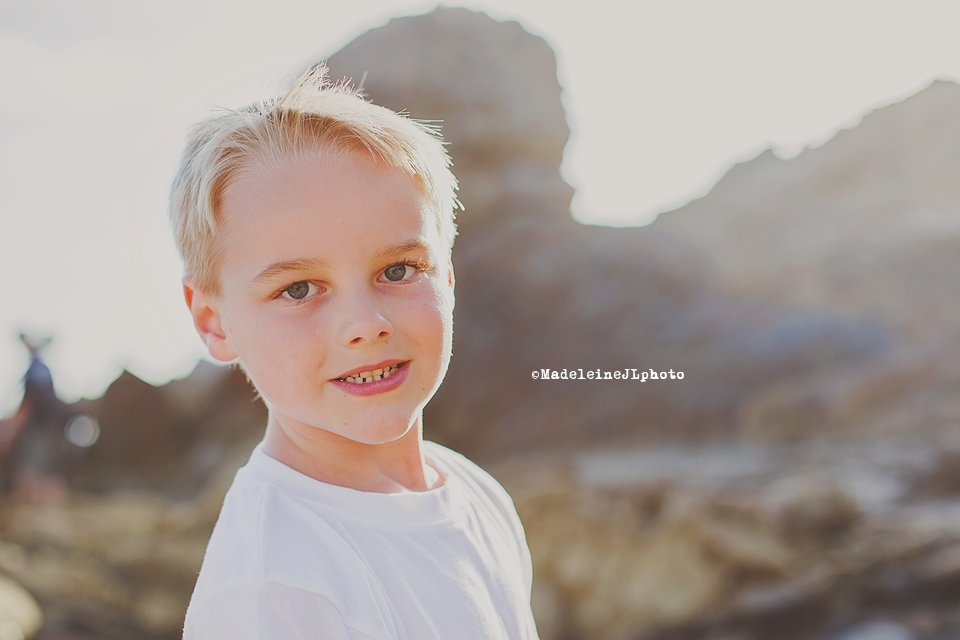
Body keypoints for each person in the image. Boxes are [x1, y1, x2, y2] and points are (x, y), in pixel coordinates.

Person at [171, 63, 540, 639]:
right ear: (214, 322)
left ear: (446, 277)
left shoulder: (477, 494)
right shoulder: (273, 591)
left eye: (398, 269)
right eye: (297, 289)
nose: (364, 326)